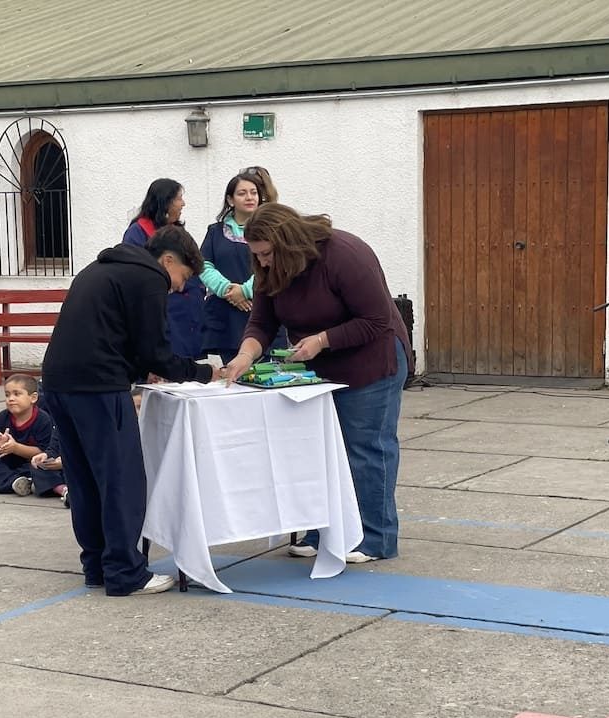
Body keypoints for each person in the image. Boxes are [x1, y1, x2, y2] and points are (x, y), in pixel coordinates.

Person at [224, 204, 413, 563]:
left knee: (366, 449)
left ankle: (375, 538)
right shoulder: (268, 269)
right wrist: (245, 356)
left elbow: (376, 319)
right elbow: (262, 323)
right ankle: (320, 532)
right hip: (316, 367)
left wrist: (322, 340)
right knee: (316, 449)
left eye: (266, 254)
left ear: (287, 243)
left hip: (371, 362)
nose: (262, 262)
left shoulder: (345, 254)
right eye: (256, 255)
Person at [42, 225, 220, 597]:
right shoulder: (149, 277)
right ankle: (125, 572)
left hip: (58, 381)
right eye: (183, 277)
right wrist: (204, 373)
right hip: (98, 387)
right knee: (121, 479)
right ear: (168, 260)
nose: (179, 288)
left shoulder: (103, 267)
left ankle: (97, 566)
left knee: (84, 479)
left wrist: (141, 369)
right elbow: (156, 350)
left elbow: (117, 336)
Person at [122, 178, 205, 358]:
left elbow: (193, 265)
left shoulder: (178, 232)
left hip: (188, 317)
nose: (183, 203)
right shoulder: (137, 233)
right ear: (165, 201)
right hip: (164, 314)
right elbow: (136, 275)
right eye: (179, 198)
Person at [199, 173, 263, 363]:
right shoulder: (215, 232)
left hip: (261, 310)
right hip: (226, 317)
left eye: (254, 192)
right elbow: (203, 265)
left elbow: (276, 265)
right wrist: (227, 289)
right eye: (242, 193)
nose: (249, 197)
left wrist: (245, 290)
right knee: (234, 373)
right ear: (230, 199)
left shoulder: (272, 230)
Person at [0, 373, 66, 499]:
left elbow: (44, 453)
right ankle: (16, 482)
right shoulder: (2, 417)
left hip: (29, 463)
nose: (11, 399)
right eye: (7, 395)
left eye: (17, 394)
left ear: (33, 398)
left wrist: (16, 448)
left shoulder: (43, 420)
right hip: (8, 461)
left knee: (40, 465)